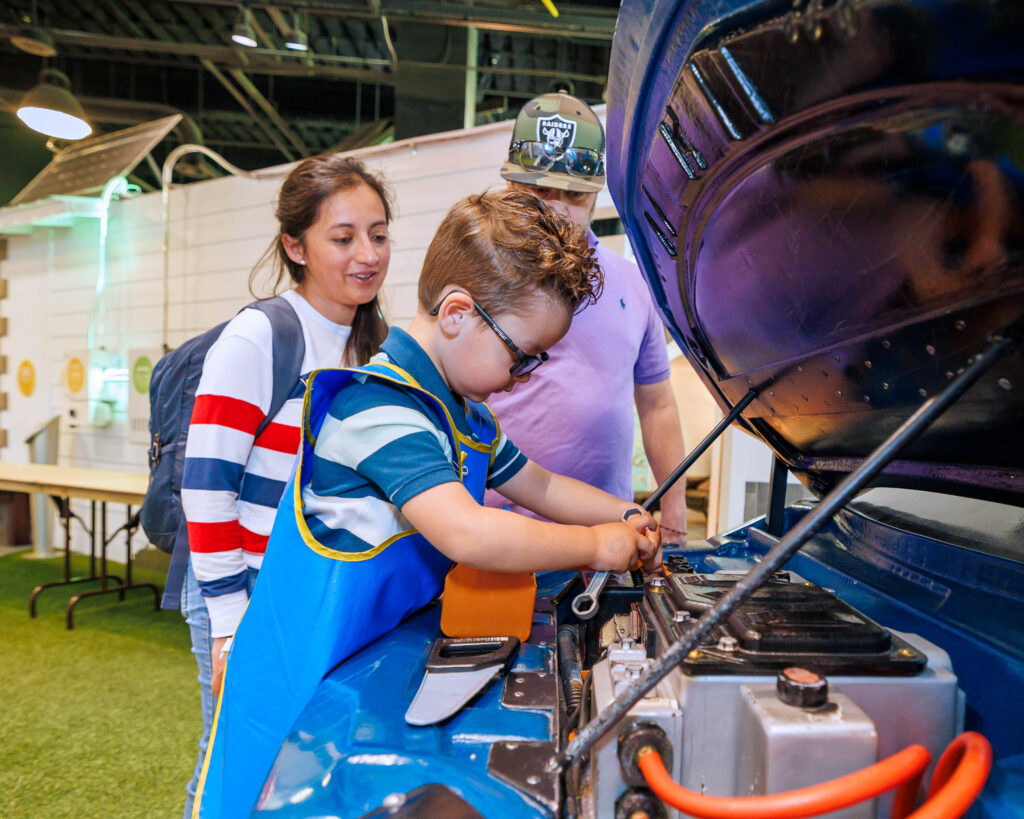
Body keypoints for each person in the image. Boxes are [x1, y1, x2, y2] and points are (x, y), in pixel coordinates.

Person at [192, 188, 662, 818]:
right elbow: (466, 533)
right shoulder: (379, 407)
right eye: (521, 357)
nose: (522, 376)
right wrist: (596, 544)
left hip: (361, 660)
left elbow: (541, 485)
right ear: (457, 314)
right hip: (295, 682)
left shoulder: (463, 414)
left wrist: (620, 513)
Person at [178, 154, 393, 818]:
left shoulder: (370, 344)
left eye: (379, 234)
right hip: (245, 593)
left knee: (291, 773)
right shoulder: (262, 336)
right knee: (233, 771)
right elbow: (206, 483)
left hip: (311, 594)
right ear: (295, 246)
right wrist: (227, 615)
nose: (367, 254)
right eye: (344, 236)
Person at [487, 91, 690, 543]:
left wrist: (674, 513)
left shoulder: (635, 285)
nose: (557, 208)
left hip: (605, 540)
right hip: (495, 537)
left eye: (574, 195)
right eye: (540, 190)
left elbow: (657, 405)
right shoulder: (481, 275)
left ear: (597, 192)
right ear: (511, 188)